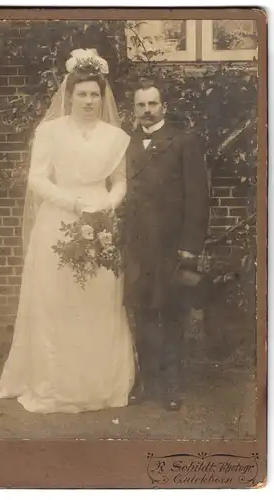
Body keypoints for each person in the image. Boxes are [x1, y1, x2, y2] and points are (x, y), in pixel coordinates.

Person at [0, 49, 135, 414]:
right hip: (58, 219)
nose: (89, 100)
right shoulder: (50, 131)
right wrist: (72, 203)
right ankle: (55, 383)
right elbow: (36, 178)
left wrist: (106, 206)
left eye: (95, 94)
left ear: (102, 97)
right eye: (82, 93)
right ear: (69, 95)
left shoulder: (115, 137)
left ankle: (99, 385)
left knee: (98, 301)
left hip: (101, 223)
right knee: (57, 301)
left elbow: (119, 182)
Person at [123, 78, 209, 411]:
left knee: (172, 315)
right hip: (138, 247)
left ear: (164, 107)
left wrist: (190, 245)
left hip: (172, 247)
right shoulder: (127, 144)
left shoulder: (183, 142)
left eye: (152, 104)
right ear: (134, 109)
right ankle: (147, 383)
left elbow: (198, 197)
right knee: (143, 314)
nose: (147, 110)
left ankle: (172, 386)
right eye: (141, 105)